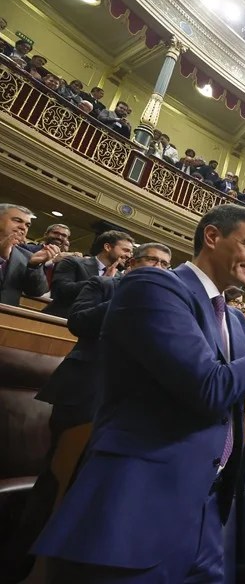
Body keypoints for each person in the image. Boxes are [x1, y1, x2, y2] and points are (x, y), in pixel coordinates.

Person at [34, 204, 245, 581]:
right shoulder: (153, 287)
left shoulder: (236, 318)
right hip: (141, 506)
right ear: (212, 237)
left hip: (209, 509)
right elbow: (210, 387)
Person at [10, 243, 172, 581]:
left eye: (166, 264)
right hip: (84, 395)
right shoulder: (105, 286)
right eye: (152, 261)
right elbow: (79, 322)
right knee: (58, 486)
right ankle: (25, 567)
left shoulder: (166, 305)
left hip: (128, 407)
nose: (159, 268)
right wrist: (130, 299)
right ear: (132, 264)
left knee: (98, 494)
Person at [43, 230, 135, 318]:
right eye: (125, 250)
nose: (129, 255)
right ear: (108, 247)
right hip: (56, 321)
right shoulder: (73, 262)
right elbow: (60, 290)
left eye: (130, 252)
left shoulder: (121, 278)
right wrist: (101, 281)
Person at [0, 204, 51, 306]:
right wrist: (1, 258)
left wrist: (34, 266)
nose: (23, 227)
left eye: (27, 225)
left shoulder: (26, 256)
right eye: (17, 220)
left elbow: (37, 291)